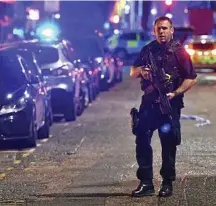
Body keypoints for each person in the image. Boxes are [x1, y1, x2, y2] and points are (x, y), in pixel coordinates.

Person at [130, 16, 197, 197]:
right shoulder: (147, 50)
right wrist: (141, 72)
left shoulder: (180, 52)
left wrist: (176, 93)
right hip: (149, 104)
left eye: (165, 28)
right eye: (159, 28)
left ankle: (167, 183)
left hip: (169, 105)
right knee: (142, 140)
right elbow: (132, 71)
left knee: (168, 144)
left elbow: (191, 78)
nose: (161, 32)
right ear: (154, 30)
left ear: (172, 30)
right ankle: (146, 182)